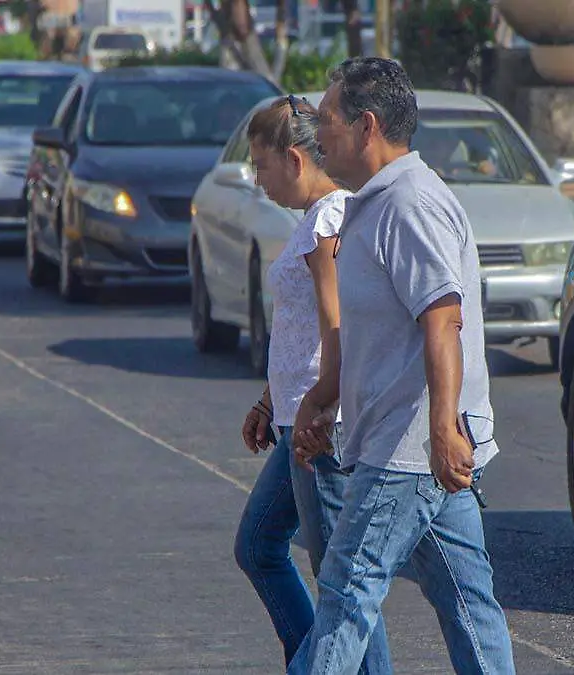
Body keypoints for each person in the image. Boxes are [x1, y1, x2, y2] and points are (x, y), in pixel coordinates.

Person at [289, 57, 516, 674]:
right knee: (468, 603)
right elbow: (380, 329)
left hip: (409, 446)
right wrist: (326, 394)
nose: (318, 136)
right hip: (416, 443)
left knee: (345, 590)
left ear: (366, 127)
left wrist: (442, 429)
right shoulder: (377, 201)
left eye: (328, 120)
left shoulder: (410, 204)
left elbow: (442, 318)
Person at [232, 95, 391, 672]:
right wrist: (270, 399)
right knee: (258, 545)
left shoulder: (329, 221)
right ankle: (312, 662)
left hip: (320, 428)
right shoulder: (311, 221)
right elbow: (299, 332)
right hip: (294, 416)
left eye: (261, 165)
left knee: (344, 586)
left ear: (295, 160)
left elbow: (337, 326)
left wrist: (323, 407)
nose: (257, 180)